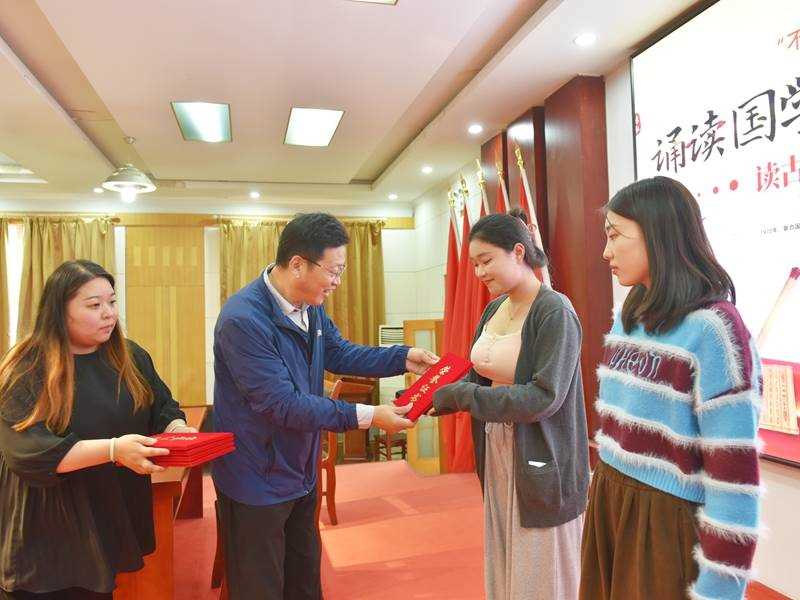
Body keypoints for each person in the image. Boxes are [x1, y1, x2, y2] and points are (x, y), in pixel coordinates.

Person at [212, 212, 439, 600]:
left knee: (303, 582)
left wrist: (402, 357)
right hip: (256, 477)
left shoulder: (310, 304)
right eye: (333, 271)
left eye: (341, 271)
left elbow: (339, 352)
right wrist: (370, 416)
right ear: (297, 264)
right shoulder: (243, 320)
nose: (337, 282)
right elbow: (283, 405)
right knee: (259, 588)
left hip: (300, 468)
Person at [579, 176, 762, 600]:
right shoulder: (630, 314)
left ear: (658, 233)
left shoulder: (715, 330)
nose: (606, 251)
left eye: (615, 235)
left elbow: (734, 478)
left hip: (664, 525)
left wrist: (720, 589)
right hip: (610, 500)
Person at [0, 260, 196, 600]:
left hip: (105, 509)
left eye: (112, 302)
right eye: (94, 305)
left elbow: (161, 406)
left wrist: (176, 428)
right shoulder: (27, 368)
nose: (109, 313)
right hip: (47, 526)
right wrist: (113, 450)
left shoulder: (129, 356)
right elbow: (31, 453)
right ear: (59, 311)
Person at [432, 211, 589, 600]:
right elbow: (477, 377)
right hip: (498, 448)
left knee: (540, 572)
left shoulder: (554, 311)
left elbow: (543, 397)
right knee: (505, 562)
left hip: (541, 455)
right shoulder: (494, 308)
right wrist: (433, 394)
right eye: (474, 264)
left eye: (486, 260)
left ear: (519, 252)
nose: (479, 273)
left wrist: (463, 397)